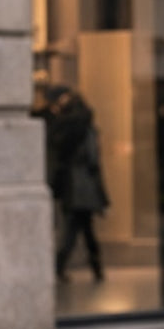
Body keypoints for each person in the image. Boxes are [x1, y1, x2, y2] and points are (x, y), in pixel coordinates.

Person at [35, 86, 108, 282]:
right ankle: (90, 267)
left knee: (79, 227)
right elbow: (93, 158)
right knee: (80, 228)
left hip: (74, 185)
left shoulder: (65, 127)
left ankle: (79, 266)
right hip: (82, 186)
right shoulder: (82, 127)